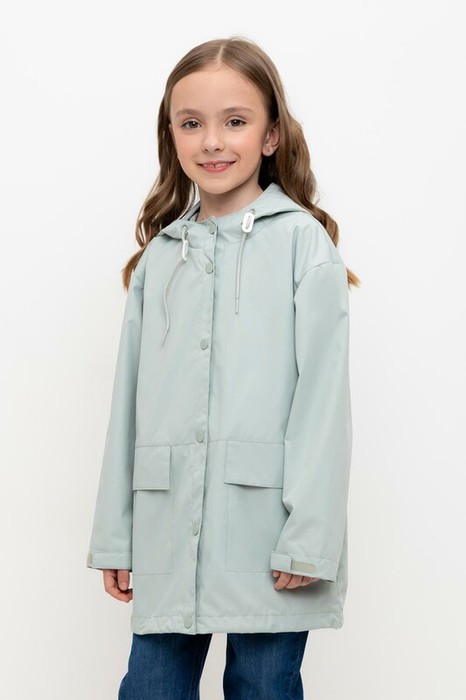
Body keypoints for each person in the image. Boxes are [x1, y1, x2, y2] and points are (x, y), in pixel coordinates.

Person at [86, 35, 360, 700]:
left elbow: (324, 403)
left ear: (271, 135)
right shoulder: (160, 258)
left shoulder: (303, 245)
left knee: (264, 687)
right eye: (191, 123)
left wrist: (309, 538)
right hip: (167, 530)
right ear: (171, 136)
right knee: (151, 686)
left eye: (235, 121)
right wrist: (116, 534)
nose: (211, 141)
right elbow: (129, 402)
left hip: (269, 536)